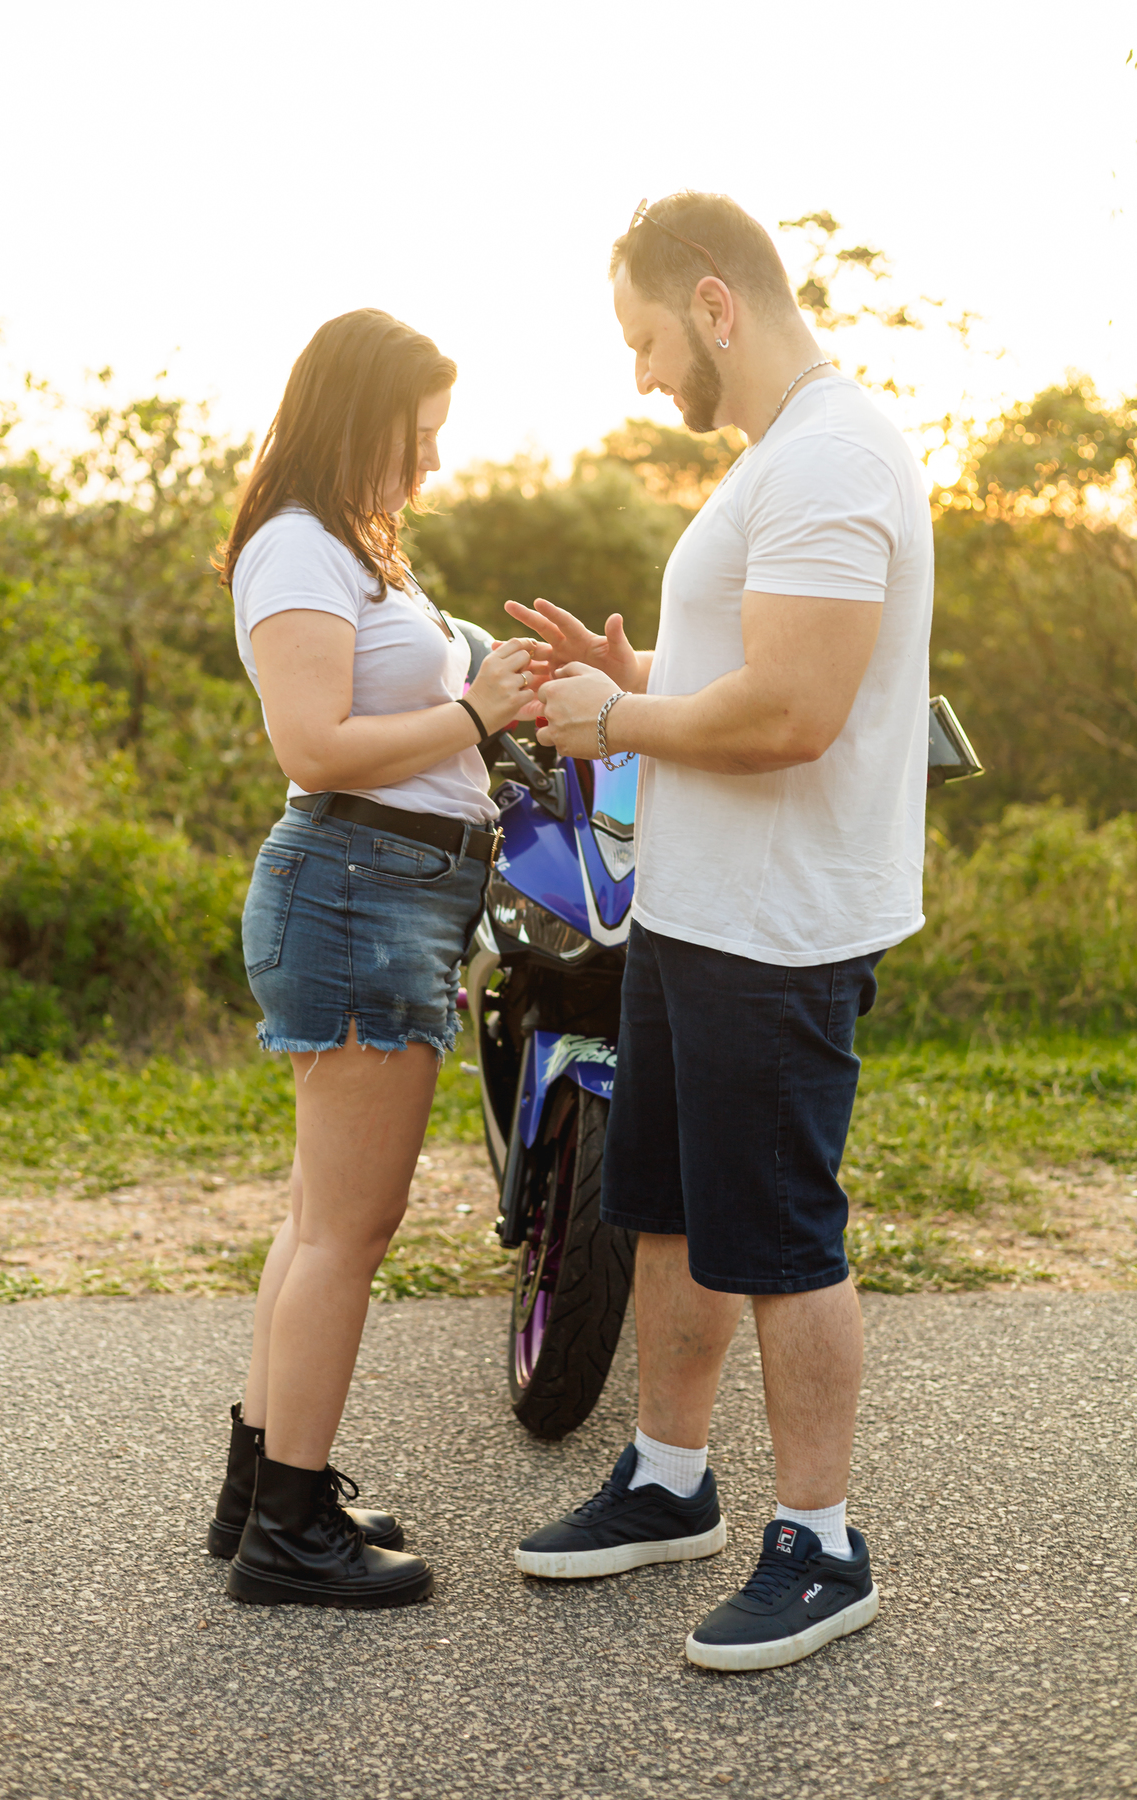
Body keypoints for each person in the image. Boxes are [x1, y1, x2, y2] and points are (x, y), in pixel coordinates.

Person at [508, 193, 932, 1672]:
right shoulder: (778, 462)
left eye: (640, 340)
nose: (639, 375)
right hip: (697, 913)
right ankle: (671, 1480)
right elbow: (743, 673)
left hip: (779, 928)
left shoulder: (830, 457)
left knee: (783, 1239)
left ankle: (821, 1543)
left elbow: (798, 714)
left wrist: (618, 717)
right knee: (671, 1209)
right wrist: (646, 670)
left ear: (712, 303)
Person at [208, 309, 539, 1609]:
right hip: (354, 892)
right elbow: (317, 747)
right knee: (350, 1229)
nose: (434, 465)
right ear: (364, 415)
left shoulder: (355, 553)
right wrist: (473, 709)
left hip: (391, 895)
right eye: (422, 436)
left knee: (318, 1224)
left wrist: (494, 693)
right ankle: (291, 1536)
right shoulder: (295, 550)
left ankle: (260, 1492)